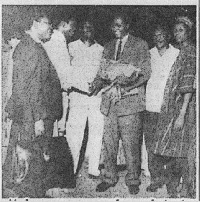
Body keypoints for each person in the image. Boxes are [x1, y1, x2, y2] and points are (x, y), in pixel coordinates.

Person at [3, 14, 63, 194]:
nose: (51, 28)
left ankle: (26, 189)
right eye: (48, 24)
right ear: (36, 23)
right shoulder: (29, 47)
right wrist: (37, 119)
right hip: (32, 116)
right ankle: (29, 193)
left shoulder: (34, 46)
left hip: (32, 114)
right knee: (27, 157)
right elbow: (26, 88)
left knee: (25, 156)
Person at [92, 13, 151, 194]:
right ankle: (109, 177)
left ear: (127, 26)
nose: (115, 28)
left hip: (130, 104)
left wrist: (124, 88)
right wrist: (96, 83)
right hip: (110, 104)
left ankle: (133, 179)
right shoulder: (108, 46)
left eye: (119, 25)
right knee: (109, 144)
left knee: (131, 144)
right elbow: (103, 72)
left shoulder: (140, 44)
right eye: (113, 26)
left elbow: (145, 73)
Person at [153, 16, 196, 198]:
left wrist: (182, 114)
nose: (177, 34)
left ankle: (185, 189)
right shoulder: (181, 51)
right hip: (174, 108)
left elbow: (187, 86)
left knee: (181, 150)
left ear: (189, 32)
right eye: (176, 30)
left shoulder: (190, 52)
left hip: (182, 109)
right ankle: (176, 188)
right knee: (174, 148)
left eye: (181, 30)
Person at [143, 23, 180, 192]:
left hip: (169, 107)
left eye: (162, 35)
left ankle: (171, 179)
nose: (159, 38)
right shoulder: (148, 53)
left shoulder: (176, 53)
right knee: (151, 145)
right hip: (150, 106)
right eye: (155, 36)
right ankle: (156, 178)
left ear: (168, 36)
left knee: (169, 144)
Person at [66, 20, 104, 177]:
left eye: (91, 27)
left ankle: (93, 168)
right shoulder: (71, 47)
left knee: (97, 132)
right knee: (74, 135)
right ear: (79, 29)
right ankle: (71, 170)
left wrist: (99, 82)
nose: (87, 29)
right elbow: (67, 72)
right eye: (84, 27)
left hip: (96, 96)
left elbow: (104, 72)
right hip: (78, 96)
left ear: (95, 30)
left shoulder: (101, 49)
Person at [43, 18, 77, 132]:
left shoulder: (58, 40)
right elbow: (59, 69)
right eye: (72, 26)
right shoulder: (56, 39)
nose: (74, 31)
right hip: (56, 90)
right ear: (63, 24)